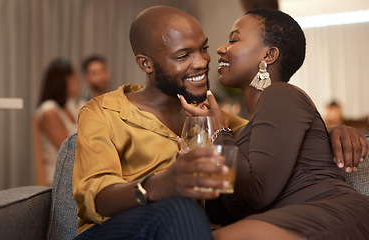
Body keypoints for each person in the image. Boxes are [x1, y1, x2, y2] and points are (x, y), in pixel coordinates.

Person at [73, 6, 367, 239]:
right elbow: (94, 197)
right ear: (146, 64)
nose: (203, 61)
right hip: (121, 228)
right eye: (183, 55)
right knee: (179, 210)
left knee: (189, 215)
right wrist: (158, 186)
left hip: (194, 229)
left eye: (203, 48)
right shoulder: (103, 111)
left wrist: (331, 131)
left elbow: (276, 139)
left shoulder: (216, 120)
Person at [179, 8, 369, 239]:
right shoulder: (240, 136)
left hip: (330, 214)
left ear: (268, 56)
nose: (221, 49)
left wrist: (219, 129)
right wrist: (195, 171)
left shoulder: (281, 94)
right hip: (273, 222)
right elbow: (221, 213)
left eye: (233, 40)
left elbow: (259, 191)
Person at [36, 58, 83, 185]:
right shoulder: (49, 111)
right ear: (65, 80)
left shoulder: (70, 106)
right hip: (61, 176)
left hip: (78, 171)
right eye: (75, 78)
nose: (78, 82)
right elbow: (69, 150)